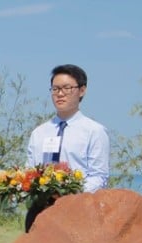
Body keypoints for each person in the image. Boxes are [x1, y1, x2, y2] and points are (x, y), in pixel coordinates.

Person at [25, 64, 109, 231]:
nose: (60, 94)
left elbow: (99, 177)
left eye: (67, 88)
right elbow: (30, 170)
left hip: (80, 212)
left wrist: (67, 195)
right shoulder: (39, 132)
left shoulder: (94, 131)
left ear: (82, 90)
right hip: (41, 210)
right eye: (55, 89)